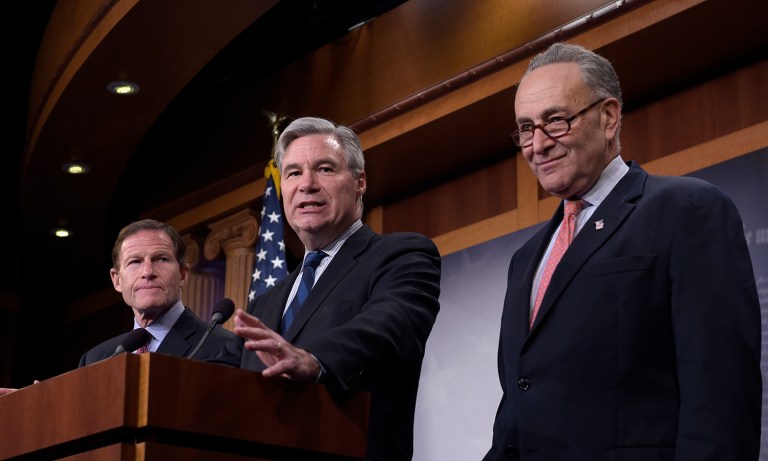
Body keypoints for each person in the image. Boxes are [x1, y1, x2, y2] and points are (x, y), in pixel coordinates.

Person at [484, 42, 762, 460]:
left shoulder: (686, 210)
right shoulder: (525, 259)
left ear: (609, 117)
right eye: (526, 128)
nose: (537, 145)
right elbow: (520, 403)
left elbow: (721, 393)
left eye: (555, 121)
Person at [216, 117, 441, 461]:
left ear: (359, 181)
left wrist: (313, 359)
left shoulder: (401, 255)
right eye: (293, 173)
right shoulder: (264, 303)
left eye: (324, 169)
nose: (307, 184)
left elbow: (388, 328)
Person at [78, 219, 238, 365]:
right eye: (135, 261)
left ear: (182, 274)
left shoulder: (224, 347)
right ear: (117, 280)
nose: (147, 272)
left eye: (161, 259)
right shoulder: (95, 359)